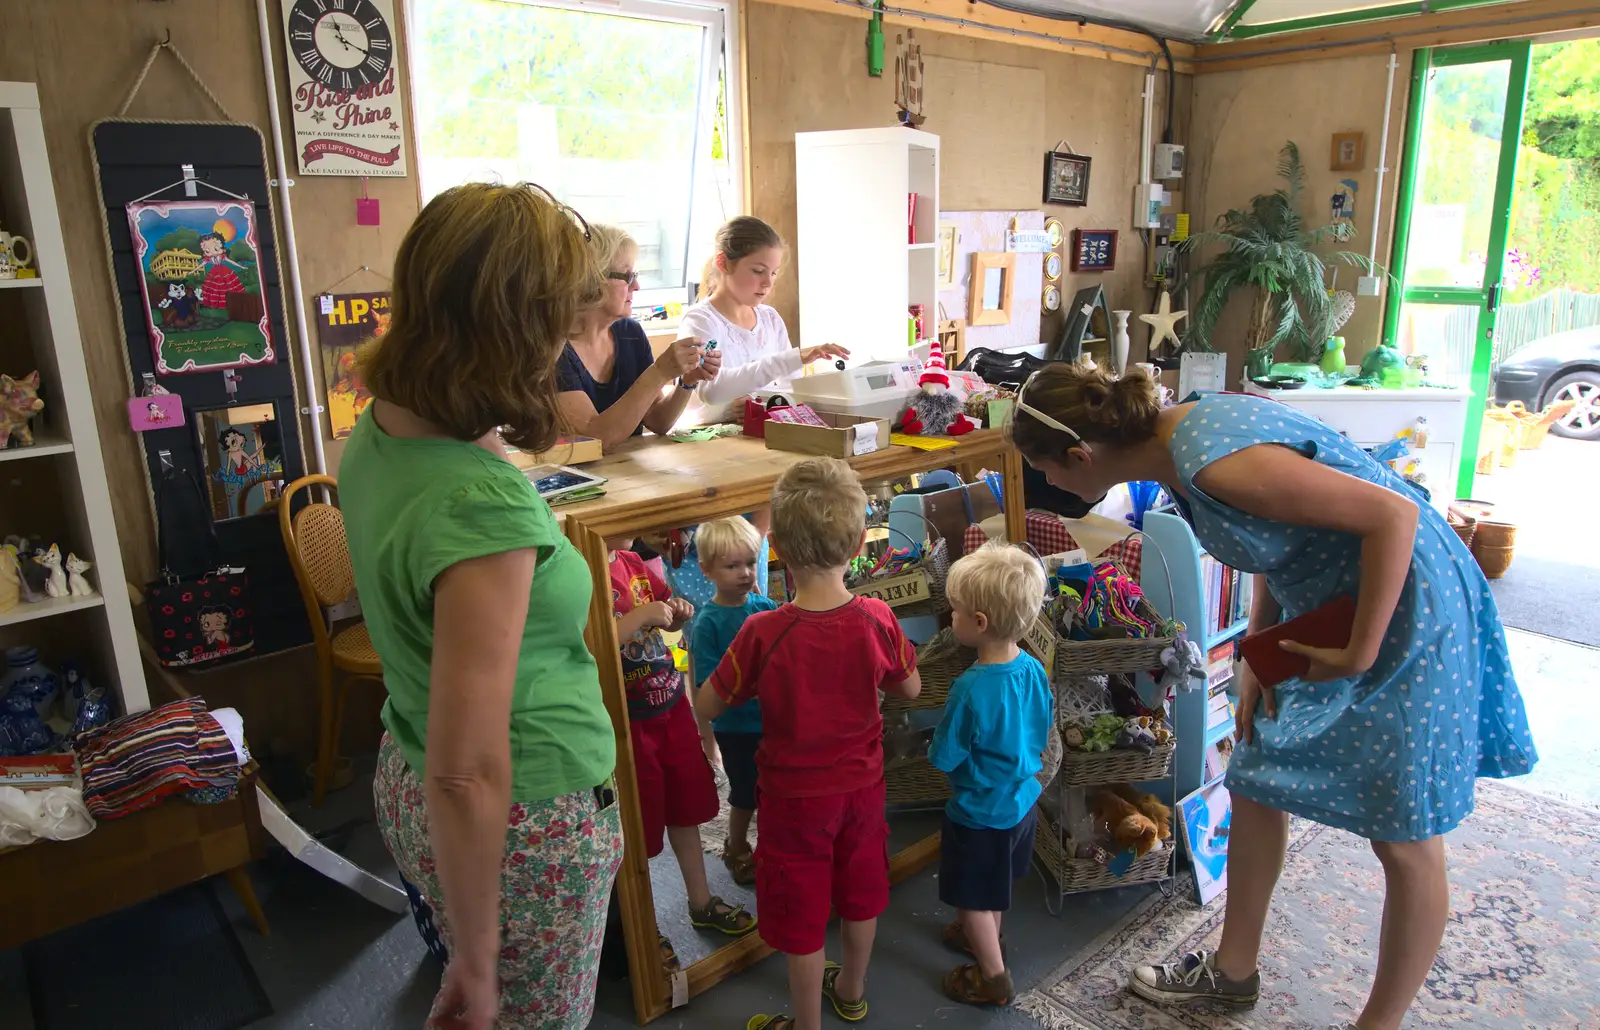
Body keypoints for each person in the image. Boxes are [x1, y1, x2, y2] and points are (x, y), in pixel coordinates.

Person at [1007, 365, 1537, 1030]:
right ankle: (1232, 975)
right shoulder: (1177, 442)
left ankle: (1380, 1024)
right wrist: (1263, 650)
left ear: (1080, 456)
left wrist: (1360, 653)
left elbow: (1395, 518)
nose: (1050, 486)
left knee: (1403, 831)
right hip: (1331, 598)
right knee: (1254, 774)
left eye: (1046, 471)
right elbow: (1279, 549)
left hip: (1406, 599)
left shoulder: (1209, 462)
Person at [340, 182, 624, 1030]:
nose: (570, 336)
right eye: (556, 319)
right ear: (512, 329)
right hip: (520, 819)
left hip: (410, 767)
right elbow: (469, 772)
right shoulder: (481, 512)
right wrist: (475, 957)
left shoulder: (389, 422)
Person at [696, 457, 923, 1030]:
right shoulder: (876, 617)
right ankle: (850, 987)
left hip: (794, 801)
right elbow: (911, 688)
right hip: (864, 790)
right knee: (862, 892)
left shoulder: (761, 631)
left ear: (783, 554)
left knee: (799, 914)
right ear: (855, 542)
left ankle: (805, 1024)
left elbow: (707, 704)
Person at [606, 534, 757, 970]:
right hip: (626, 721)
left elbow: (664, 617)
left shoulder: (634, 560)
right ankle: (640, 925)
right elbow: (588, 640)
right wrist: (638, 617)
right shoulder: (583, 574)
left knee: (684, 811)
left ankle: (701, 900)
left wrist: (675, 616)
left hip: (668, 706)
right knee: (635, 830)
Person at [927, 542, 1051, 1008]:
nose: (950, 615)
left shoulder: (970, 687)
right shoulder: (1033, 670)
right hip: (1021, 802)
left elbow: (945, 755)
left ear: (978, 623)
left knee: (971, 898)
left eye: (954, 609)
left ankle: (993, 976)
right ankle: (986, 942)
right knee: (993, 885)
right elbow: (1040, 729)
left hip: (978, 811)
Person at [556, 224, 719, 452]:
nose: (637, 286)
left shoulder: (629, 334)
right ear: (591, 279)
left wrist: (687, 380)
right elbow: (597, 438)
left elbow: (658, 420)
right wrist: (660, 371)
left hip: (629, 477)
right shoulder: (554, 350)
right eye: (628, 276)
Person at [677, 216, 850, 426]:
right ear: (723, 263)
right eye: (758, 271)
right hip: (710, 444)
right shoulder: (700, 320)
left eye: (773, 273)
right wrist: (791, 358)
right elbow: (710, 391)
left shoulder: (770, 319)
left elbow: (789, 387)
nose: (768, 283)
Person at [687, 516, 778, 885]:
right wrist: (752, 684)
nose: (744, 573)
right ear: (708, 570)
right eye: (732, 565)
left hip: (773, 719)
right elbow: (708, 683)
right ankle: (737, 844)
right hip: (736, 726)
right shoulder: (707, 624)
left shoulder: (766, 606)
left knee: (776, 787)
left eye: (749, 563)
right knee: (745, 792)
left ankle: (774, 846)